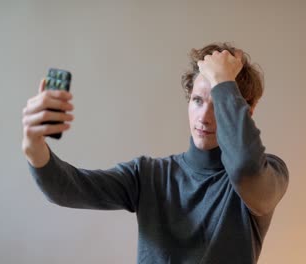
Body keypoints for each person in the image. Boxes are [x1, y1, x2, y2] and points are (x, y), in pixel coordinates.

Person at [22, 42, 289, 264]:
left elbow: (245, 169)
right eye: (197, 100)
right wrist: (34, 145)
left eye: (218, 102)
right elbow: (66, 189)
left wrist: (224, 81)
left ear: (245, 112)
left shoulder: (269, 174)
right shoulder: (149, 175)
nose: (204, 118)